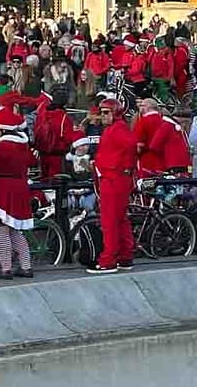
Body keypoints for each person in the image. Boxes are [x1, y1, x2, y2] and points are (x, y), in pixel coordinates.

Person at [0, 108, 34, 279]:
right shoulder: (22, 145)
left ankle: (6, 268)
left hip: (1, 190)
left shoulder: (3, 147)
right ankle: (26, 266)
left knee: (0, 230)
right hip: (19, 187)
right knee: (14, 230)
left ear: (2, 129)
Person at [88, 98, 137, 274]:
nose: (103, 116)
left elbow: (131, 145)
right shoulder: (115, 129)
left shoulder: (117, 129)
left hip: (113, 178)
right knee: (120, 219)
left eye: (106, 112)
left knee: (110, 220)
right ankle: (124, 256)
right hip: (115, 177)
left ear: (115, 112)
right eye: (102, 112)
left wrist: (121, 167)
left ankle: (109, 260)